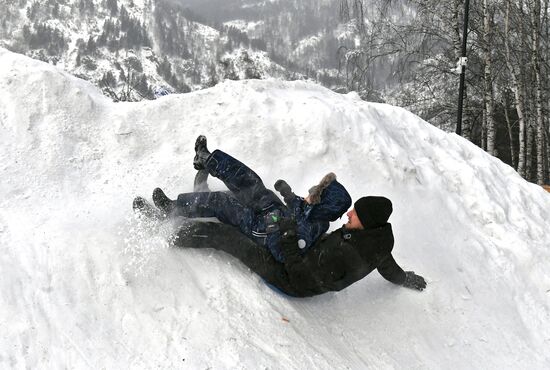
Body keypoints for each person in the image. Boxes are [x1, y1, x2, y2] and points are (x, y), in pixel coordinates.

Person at [136, 136, 427, 297]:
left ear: (366, 221)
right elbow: (386, 264)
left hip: (285, 267)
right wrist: (404, 279)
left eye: (355, 214)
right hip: (286, 228)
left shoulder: (345, 252)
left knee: (225, 219)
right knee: (254, 187)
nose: (350, 215)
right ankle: (209, 160)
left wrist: (288, 237)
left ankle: (168, 221)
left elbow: (302, 273)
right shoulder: (376, 238)